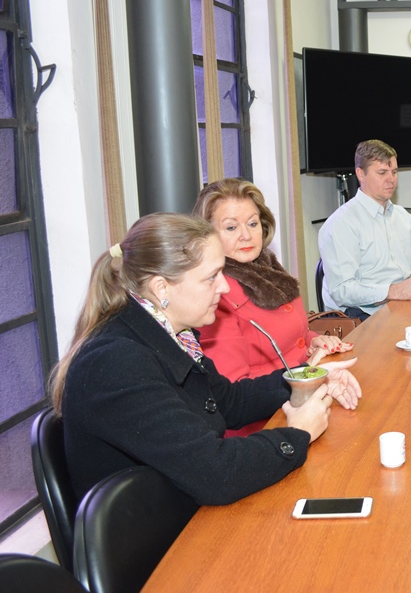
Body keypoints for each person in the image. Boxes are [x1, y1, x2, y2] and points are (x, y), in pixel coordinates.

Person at [50, 213, 362, 505]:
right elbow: (216, 472)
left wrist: (309, 376)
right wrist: (299, 434)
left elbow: (230, 401)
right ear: (162, 288)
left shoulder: (169, 335)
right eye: (211, 277)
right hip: (162, 546)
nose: (225, 287)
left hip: (182, 510)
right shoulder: (116, 363)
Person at [192, 178, 353, 435]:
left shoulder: (268, 269)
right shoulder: (214, 296)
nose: (246, 235)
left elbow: (291, 337)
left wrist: (312, 340)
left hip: (304, 401)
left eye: (252, 223)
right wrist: (308, 372)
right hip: (265, 427)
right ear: (207, 235)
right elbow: (235, 397)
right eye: (231, 227)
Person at [319, 140, 411, 319]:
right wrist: (392, 291)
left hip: (401, 307)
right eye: (382, 173)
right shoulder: (341, 223)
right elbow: (342, 290)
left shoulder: (401, 216)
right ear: (360, 174)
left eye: (394, 172)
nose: (391, 179)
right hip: (360, 315)